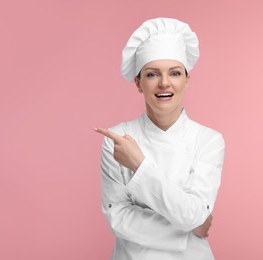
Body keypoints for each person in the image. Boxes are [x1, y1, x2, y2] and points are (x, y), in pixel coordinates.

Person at [94, 18, 225, 259]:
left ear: (187, 80)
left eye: (174, 73)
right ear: (138, 83)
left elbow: (194, 214)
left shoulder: (208, 140)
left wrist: (138, 164)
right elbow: (118, 217)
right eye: (153, 74)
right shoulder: (117, 139)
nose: (164, 82)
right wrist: (187, 229)